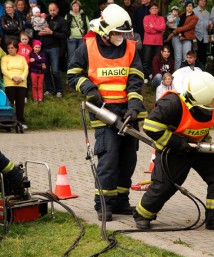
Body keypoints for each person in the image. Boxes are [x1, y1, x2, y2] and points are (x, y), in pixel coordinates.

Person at [67, 4, 147, 222]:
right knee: (109, 158)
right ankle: (103, 203)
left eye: (123, 33)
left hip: (127, 112)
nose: (121, 37)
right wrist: (89, 89)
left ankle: (121, 201)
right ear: (105, 31)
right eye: (117, 33)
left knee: (128, 159)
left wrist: (134, 107)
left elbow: (135, 80)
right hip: (103, 112)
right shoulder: (88, 46)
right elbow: (73, 74)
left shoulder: (130, 48)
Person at [134, 70, 214, 233]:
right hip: (174, 150)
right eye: (207, 107)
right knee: (165, 186)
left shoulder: (213, 99)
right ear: (192, 100)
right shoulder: (172, 102)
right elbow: (150, 126)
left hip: (200, 147)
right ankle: (142, 214)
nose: (211, 108)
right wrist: (176, 142)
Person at [39, 2, 68, 98]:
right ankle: (49, 89)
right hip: (43, 47)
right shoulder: (45, 19)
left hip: (54, 48)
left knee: (55, 71)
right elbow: (37, 29)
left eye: (54, 10)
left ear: (57, 10)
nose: (52, 12)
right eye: (50, 10)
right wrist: (40, 33)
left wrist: (52, 32)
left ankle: (59, 90)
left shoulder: (62, 21)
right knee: (45, 70)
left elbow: (64, 35)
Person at [1, 39, 29, 129]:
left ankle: (21, 121)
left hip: (21, 83)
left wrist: (21, 78)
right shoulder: (5, 58)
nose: (10, 50)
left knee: (20, 104)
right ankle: (9, 122)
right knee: (9, 104)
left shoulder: (22, 58)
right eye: (9, 48)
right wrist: (13, 77)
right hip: (9, 83)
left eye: (12, 48)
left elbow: (26, 69)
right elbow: (4, 70)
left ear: (16, 48)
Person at [170, 0, 198, 70]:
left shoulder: (195, 17)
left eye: (190, 6)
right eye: (187, 6)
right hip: (177, 37)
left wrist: (176, 31)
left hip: (187, 38)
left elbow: (188, 27)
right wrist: (179, 34)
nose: (189, 7)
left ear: (193, 7)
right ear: (185, 7)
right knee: (178, 57)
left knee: (187, 57)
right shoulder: (181, 15)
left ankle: (186, 73)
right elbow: (175, 24)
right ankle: (176, 74)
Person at [142, 2, 165, 83]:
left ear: (158, 10)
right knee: (146, 59)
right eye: (153, 8)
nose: (154, 10)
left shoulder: (161, 18)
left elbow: (163, 27)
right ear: (150, 10)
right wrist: (157, 30)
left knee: (156, 59)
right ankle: (145, 75)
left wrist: (153, 27)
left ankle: (154, 74)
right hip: (148, 41)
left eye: (156, 8)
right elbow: (146, 29)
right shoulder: (146, 17)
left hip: (158, 42)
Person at [65, 0, 89, 65]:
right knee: (71, 57)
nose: (75, 7)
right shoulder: (68, 16)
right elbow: (65, 27)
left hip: (82, 38)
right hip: (71, 38)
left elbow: (88, 27)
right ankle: (70, 73)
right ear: (71, 7)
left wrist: (87, 37)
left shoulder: (84, 16)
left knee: (81, 56)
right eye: (74, 6)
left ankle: (80, 72)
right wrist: (67, 36)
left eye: (77, 6)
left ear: (79, 7)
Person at [193, 0, 212, 67]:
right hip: (196, 36)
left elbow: (210, 23)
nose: (203, 2)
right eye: (201, 1)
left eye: (204, 1)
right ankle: (195, 70)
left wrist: (210, 26)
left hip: (205, 37)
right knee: (195, 54)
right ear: (198, 2)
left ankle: (203, 70)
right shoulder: (194, 11)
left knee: (203, 55)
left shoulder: (207, 13)